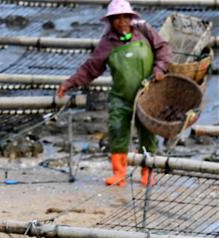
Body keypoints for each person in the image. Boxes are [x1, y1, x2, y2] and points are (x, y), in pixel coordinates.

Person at [57, 0, 171, 187]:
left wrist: (159, 69)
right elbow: (90, 68)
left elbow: (163, 49)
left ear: (131, 17)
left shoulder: (144, 31)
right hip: (121, 97)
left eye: (125, 17)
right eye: (116, 18)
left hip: (148, 95)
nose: (122, 21)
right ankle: (119, 173)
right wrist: (69, 83)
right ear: (110, 21)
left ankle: (148, 171)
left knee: (148, 134)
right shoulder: (107, 43)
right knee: (118, 131)